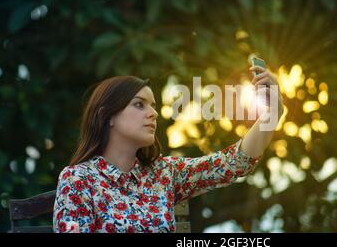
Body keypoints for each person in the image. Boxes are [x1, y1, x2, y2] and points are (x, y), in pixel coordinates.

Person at [53, 65, 284, 233]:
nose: (153, 113)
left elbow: (233, 164)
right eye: (139, 104)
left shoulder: (164, 174)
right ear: (107, 115)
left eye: (153, 105)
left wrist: (273, 114)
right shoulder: (78, 180)